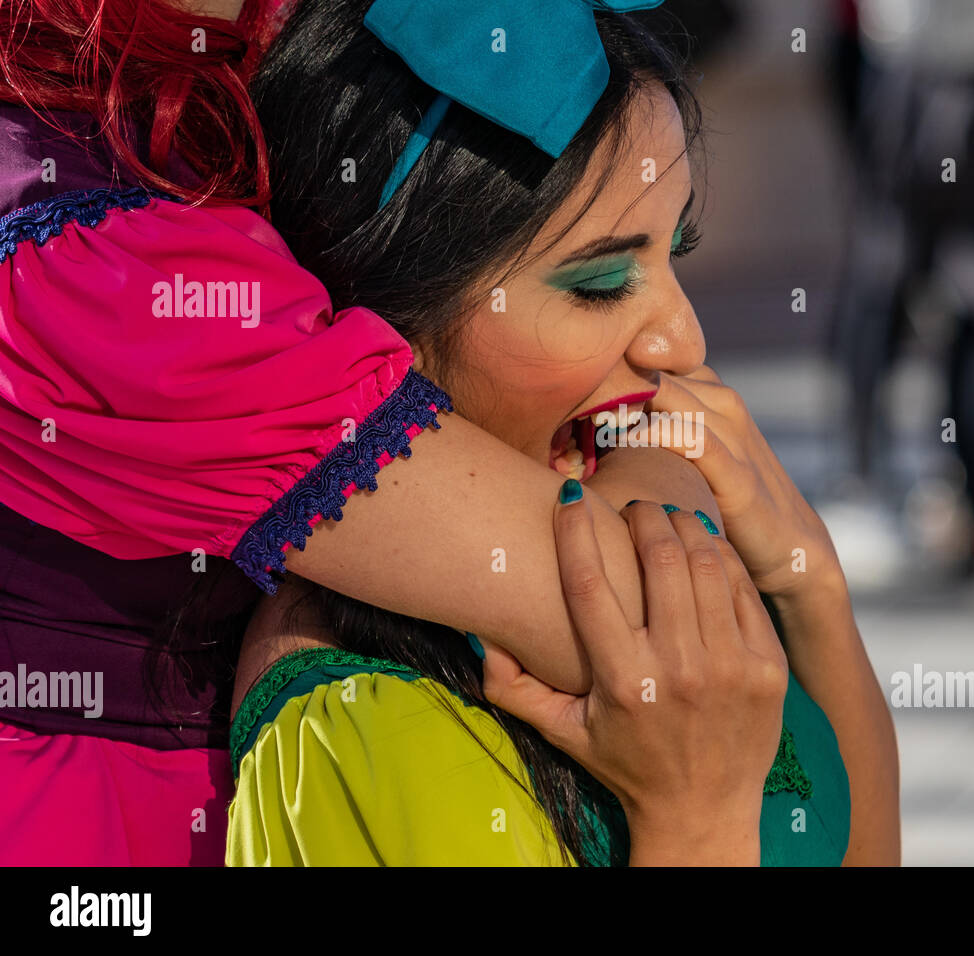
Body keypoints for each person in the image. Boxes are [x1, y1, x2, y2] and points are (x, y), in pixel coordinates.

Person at [0, 0, 898, 864]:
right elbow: (642, 612)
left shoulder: (287, 58)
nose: (688, 344)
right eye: (598, 283)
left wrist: (810, 586)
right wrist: (695, 826)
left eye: (675, 255)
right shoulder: (364, 718)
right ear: (373, 325)